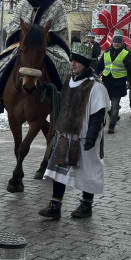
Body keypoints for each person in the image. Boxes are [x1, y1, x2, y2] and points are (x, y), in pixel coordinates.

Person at [0, 0, 70, 113]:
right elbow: (14, 22)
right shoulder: (24, 2)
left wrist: (45, 37)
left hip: (48, 45)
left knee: (61, 63)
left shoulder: (58, 5)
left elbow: (61, 28)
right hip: (24, 43)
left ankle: (61, 97)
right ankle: (1, 98)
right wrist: (21, 35)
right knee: (4, 61)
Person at [40, 43, 108, 220]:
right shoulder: (68, 82)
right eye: (72, 61)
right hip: (66, 135)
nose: (73, 64)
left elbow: (98, 113)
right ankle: (55, 205)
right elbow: (64, 105)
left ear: (86, 63)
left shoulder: (96, 87)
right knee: (58, 169)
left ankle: (86, 205)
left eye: (78, 61)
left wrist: (92, 136)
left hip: (85, 136)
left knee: (88, 170)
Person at [95, 34, 131, 134]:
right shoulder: (106, 52)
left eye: (119, 42)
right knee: (105, 104)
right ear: (112, 42)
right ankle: (113, 116)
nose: (116, 44)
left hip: (119, 83)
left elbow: (130, 68)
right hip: (106, 81)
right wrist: (95, 74)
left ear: (122, 43)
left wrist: (129, 81)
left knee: (115, 105)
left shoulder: (126, 53)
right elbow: (100, 65)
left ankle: (111, 126)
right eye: (115, 42)